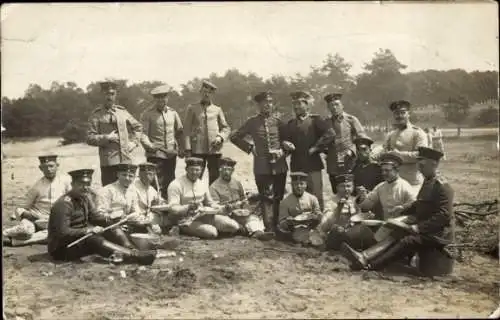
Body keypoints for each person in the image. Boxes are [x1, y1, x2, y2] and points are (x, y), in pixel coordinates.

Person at [340, 147, 454, 272]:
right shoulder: (428, 182)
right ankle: (365, 257)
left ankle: (372, 266)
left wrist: (418, 228)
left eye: (422, 165)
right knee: (396, 233)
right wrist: (403, 208)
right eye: (419, 165)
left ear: (434, 164)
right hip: (426, 227)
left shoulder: (442, 186)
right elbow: (419, 204)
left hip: (438, 233)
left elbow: (444, 216)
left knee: (407, 241)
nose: (419, 169)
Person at [47, 169, 156, 265]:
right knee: (92, 239)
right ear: (73, 184)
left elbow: (94, 217)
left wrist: (110, 220)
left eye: (88, 184)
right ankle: (135, 256)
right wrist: (88, 230)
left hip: (79, 239)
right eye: (81, 184)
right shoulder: (64, 204)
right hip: (62, 249)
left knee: (110, 224)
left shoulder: (84, 198)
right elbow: (62, 232)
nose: (85, 187)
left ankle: (130, 249)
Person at [230, 91, 288, 232]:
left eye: (270, 102)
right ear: (259, 105)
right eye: (264, 102)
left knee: (278, 195)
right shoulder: (252, 122)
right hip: (261, 166)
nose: (268, 105)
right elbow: (234, 137)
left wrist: (283, 150)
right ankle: (269, 227)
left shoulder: (278, 122)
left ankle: (277, 225)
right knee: (265, 196)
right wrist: (250, 147)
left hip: (279, 165)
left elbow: (288, 139)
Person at [282, 91, 335, 210]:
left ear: (307, 105)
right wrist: (285, 144)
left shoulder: (316, 120)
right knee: (299, 196)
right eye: (294, 104)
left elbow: (330, 134)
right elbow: (285, 141)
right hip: (297, 166)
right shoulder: (290, 124)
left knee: (316, 196)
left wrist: (316, 147)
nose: (296, 107)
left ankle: (319, 221)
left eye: (299, 104)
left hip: (313, 166)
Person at [3, 155, 72, 246]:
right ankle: (5, 233)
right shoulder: (37, 186)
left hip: (53, 221)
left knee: (57, 234)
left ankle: (15, 242)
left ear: (57, 165)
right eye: (45, 167)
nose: (48, 169)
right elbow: (21, 207)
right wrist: (25, 214)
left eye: (51, 166)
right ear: (40, 169)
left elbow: (72, 200)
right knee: (26, 230)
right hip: (36, 219)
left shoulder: (66, 181)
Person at [167, 157, 239, 239]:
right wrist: (188, 207)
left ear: (201, 170)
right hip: (185, 219)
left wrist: (224, 208)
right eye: (191, 169)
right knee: (212, 233)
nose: (194, 172)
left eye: (197, 170)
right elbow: (172, 208)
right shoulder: (176, 184)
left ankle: (205, 228)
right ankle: (180, 228)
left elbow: (210, 203)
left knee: (233, 226)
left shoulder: (202, 184)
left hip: (203, 216)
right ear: (186, 169)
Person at [87, 81, 143, 186]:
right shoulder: (96, 115)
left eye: (112, 94)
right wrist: (107, 137)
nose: (109, 97)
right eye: (106, 94)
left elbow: (138, 127)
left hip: (126, 161)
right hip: (109, 163)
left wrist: (134, 143)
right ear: (102, 95)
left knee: (126, 191)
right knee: (109, 193)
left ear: (115, 95)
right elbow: (90, 138)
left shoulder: (122, 111)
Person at [209, 157, 273, 241]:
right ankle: (242, 229)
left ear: (233, 170)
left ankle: (258, 232)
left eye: (229, 169)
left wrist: (245, 204)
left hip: (239, 214)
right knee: (229, 224)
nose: (226, 172)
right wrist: (230, 207)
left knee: (252, 218)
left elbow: (243, 198)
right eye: (224, 169)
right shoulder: (213, 187)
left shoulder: (237, 183)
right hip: (225, 215)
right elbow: (215, 207)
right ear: (219, 170)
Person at [140, 85, 184, 198]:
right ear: (154, 99)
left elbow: (179, 132)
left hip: (170, 154)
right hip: (156, 154)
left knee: (170, 181)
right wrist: (149, 146)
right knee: (155, 182)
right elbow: (143, 134)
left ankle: (169, 206)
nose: (161, 100)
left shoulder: (173, 113)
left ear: (167, 98)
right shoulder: (147, 114)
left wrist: (181, 149)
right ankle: (156, 206)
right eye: (158, 97)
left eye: (163, 97)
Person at [183, 80, 230, 185]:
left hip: (214, 150)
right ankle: (194, 196)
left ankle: (213, 197)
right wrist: (187, 149)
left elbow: (226, 128)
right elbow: (186, 130)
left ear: (212, 94)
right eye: (204, 91)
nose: (206, 94)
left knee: (215, 175)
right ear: (200, 92)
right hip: (197, 149)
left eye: (209, 92)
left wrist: (220, 137)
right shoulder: (192, 108)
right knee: (195, 175)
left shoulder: (217, 109)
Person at [383, 100, 428, 196]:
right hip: (393, 181)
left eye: (402, 112)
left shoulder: (418, 133)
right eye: (396, 113)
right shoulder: (391, 134)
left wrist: (397, 155)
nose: (399, 116)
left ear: (409, 114)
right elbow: (385, 153)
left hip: (412, 182)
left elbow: (421, 155)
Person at [323, 92, 366, 194]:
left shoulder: (351, 119)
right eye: (331, 105)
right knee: (336, 192)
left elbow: (362, 139)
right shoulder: (326, 122)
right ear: (328, 108)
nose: (334, 108)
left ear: (342, 106)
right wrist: (326, 151)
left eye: (336, 104)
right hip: (333, 164)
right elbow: (322, 140)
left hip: (349, 161)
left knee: (352, 190)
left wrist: (352, 150)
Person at [315, 174, 371, 250]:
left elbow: (361, 217)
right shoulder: (331, 202)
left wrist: (364, 200)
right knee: (337, 229)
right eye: (342, 186)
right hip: (336, 235)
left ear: (353, 187)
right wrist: (338, 209)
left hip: (351, 233)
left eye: (348, 186)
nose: (346, 189)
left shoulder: (355, 200)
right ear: (337, 188)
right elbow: (325, 226)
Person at [358, 153, 416, 221]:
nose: (383, 173)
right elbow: (366, 207)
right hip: (385, 225)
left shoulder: (405, 186)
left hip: (402, 226)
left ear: (397, 170)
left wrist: (403, 207)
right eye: (382, 170)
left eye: (387, 170)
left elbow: (414, 206)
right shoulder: (380, 187)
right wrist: (362, 196)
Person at [277, 172, 323, 245]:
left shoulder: (312, 198)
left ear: (306, 185)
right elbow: (281, 222)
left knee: (318, 242)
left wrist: (317, 216)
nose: (299, 186)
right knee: (300, 239)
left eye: (301, 184)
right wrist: (288, 221)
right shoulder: (285, 202)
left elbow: (318, 214)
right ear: (292, 185)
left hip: (310, 227)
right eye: (296, 184)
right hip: (295, 229)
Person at [128, 162, 164, 234]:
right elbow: (134, 211)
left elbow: (160, 202)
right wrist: (150, 224)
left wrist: (162, 203)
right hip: (136, 220)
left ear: (154, 176)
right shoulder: (132, 187)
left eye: (150, 174)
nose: (147, 177)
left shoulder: (151, 189)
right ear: (140, 175)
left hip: (148, 218)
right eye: (145, 174)